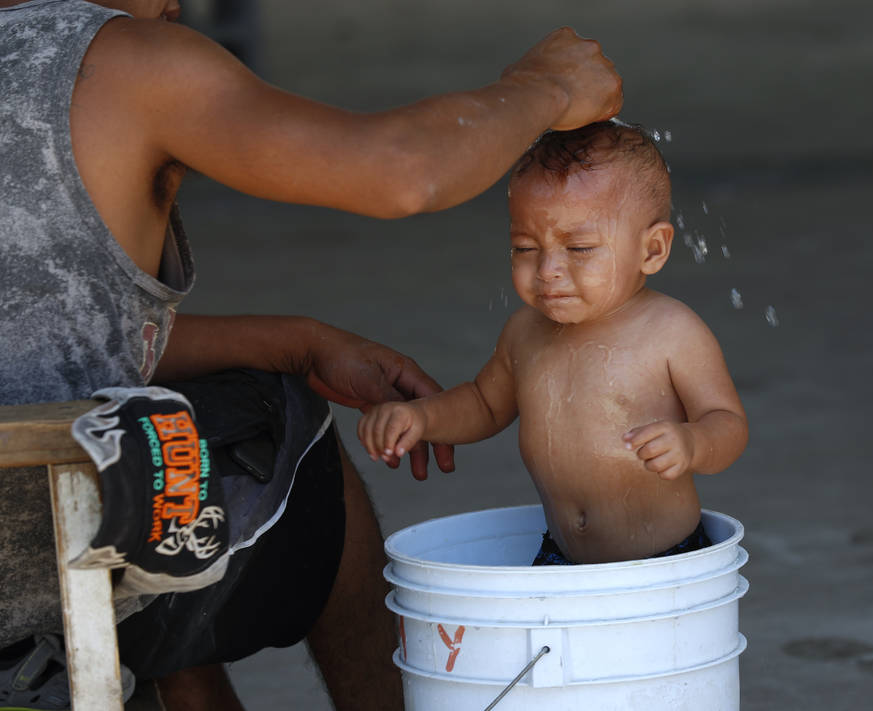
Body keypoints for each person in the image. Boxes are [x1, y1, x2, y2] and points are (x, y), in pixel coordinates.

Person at [0, 0, 622, 708]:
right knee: (286, 434)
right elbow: (402, 169)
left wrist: (303, 341)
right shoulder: (125, 62)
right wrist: (546, 86)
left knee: (166, 463)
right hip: (34, 566)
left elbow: (55, 338)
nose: (174, 4)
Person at [358, 121, 748, 566]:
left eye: (579, 248)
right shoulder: (525, 332)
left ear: (652, 250)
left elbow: (728, 423)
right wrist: (420, 417)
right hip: (560, 555)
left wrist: (693, 443)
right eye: (525, 248)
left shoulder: (671, 332)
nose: (547, 270)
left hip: (663, 562)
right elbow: (485, 405)